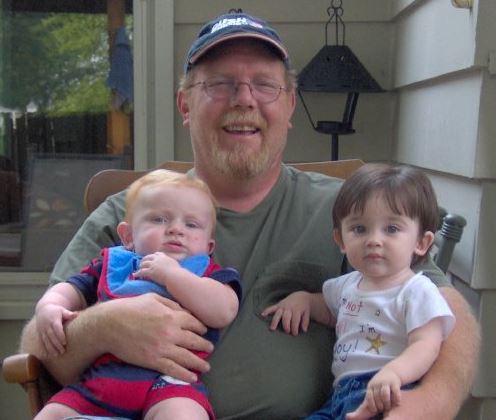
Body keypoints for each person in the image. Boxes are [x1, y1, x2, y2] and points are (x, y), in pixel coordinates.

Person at [20, 10, 479, 420]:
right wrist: (105, 327)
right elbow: (38, 351)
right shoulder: (130, 213)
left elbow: (448, 310)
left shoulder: (352, 213)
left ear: (289, 105)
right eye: (220, 84)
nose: (244, 99)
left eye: (264, 84)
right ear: (185, 105)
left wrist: (424, 406)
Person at [33, 169, 241, 420]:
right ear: (128, 236)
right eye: (159, 220)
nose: (176, 229)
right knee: (51, 413)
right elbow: (73, 287)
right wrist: (50, 305)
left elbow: (224, 310)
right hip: (100, 383)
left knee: (183, 414)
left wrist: (172, 275)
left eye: (192, 224)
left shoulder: (203, 273)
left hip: (169, 384)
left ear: (208, 247)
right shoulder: (114, 264)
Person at [262, 163, 456, 419]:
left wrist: (395, 373)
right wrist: (305, 301)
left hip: (386, 394)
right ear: (341, 241)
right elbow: (331, 312)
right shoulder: (346, 285)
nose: (374, 240)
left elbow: (427, 345)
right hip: (339, 396)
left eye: (392, 229)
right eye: (359, 229)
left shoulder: (417, 290)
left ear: (421, 243)